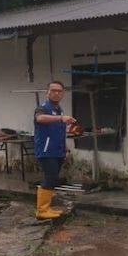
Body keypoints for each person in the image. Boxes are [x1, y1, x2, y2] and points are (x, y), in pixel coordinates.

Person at [33, 80, 76, 220]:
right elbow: (40, 118)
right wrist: (61, 118)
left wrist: (65, 148)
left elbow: (59, 131)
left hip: (58, 151)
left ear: (62, 94)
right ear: (48, 93)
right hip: (46, 151)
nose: (57, 93)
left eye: (59, 91)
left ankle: (47, 208)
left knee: (53, 179)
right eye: (53, 90)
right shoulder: (43, 108)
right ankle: (42, 210)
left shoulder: (59, 109)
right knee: (50, 177)